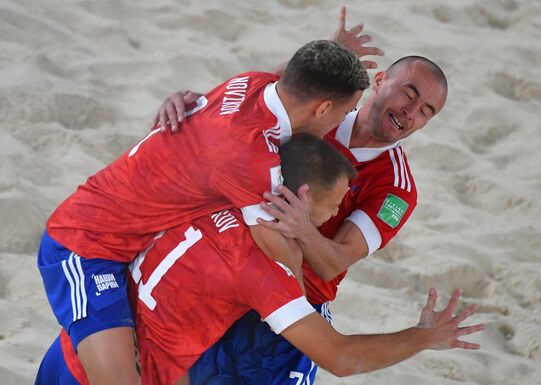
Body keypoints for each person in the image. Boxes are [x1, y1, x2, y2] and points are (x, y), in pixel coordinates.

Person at [36, 40, 368, 385]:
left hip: (125, 241)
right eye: (345, 113)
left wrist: (330, 49)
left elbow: (292, 77)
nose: (340, 124)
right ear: (322, 107)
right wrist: (298, 306)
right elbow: (276, 252)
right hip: (84, 244)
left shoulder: (251, 81)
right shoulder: (252, 154)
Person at [152, 8, 452, 385]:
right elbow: (258, 101)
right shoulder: (321, 109)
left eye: (426, 112)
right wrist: (192, 105)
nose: (411, 113)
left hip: (295, 302)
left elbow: (333, 264)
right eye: (409, 94)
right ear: (379, 81)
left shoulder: (398, 188)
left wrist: (303, 229)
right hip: (230, 271)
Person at [37, 135, 483, 385]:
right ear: (303, 196)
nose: (335, 214)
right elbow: (341, 358)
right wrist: (424, 337)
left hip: (71, 353)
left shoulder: (214, 198)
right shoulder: (260, 268)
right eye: (334, 204)